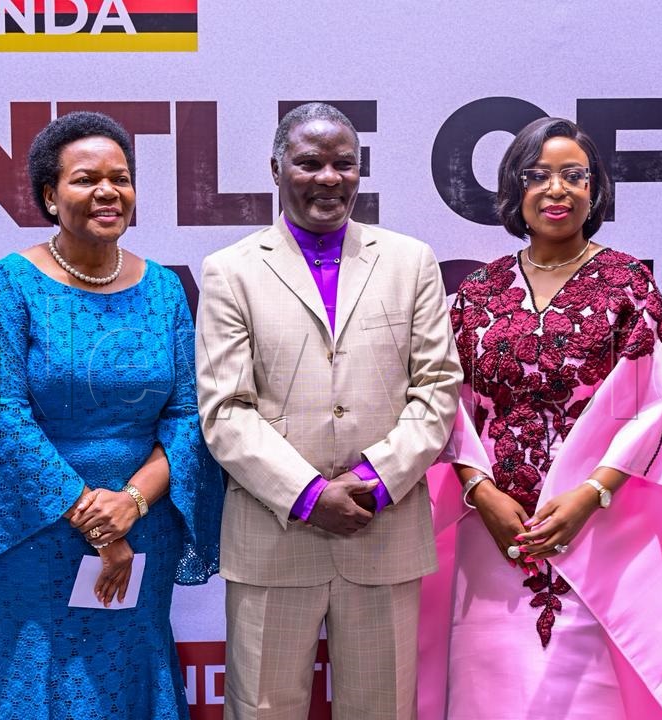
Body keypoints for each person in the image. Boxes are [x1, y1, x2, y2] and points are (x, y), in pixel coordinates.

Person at [420, 117, 662, 719]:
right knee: (491, 695)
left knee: (588, 696)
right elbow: (445, 400)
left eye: (574, 176)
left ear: (595, 191)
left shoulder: (627, 285)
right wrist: (479, 490)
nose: (556, 190)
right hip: (493, 538)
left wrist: (590, 494)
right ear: (514, 188)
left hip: (595, 537)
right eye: (538, 175)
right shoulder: (478, 293)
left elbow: (653, 404)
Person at [0, 111, 223, 719]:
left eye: (121, 177)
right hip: (33, 532)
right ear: (49, 195)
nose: (107, 191)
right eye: (86, 178)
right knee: (32, 676)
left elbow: (188, 416)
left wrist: (130, 505)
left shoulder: (164, 287)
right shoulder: (10, 285)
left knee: (132, 669)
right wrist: (94, 520)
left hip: (142, 528)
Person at [195, 102, 462, 719]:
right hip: (273, 535)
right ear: (276, 167)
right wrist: (310, 495)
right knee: (262, 709)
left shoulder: (410, 261)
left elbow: (437, 389)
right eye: (309, 162)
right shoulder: (231, 271)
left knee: (382, 711)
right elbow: (225, 411)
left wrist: (371, 482)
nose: (328, 177)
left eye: (344, 164)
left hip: (381, 531)